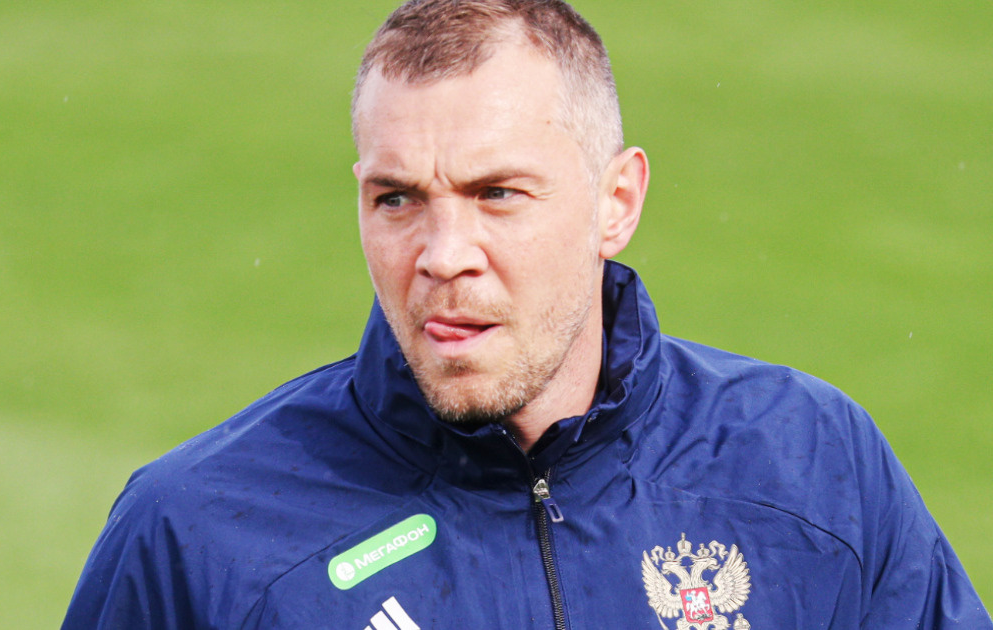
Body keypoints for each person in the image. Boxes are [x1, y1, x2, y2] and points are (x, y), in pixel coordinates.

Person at [62, 1, 991, 628]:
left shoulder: (811, 467)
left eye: (497, 193)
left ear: (615, 202)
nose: (442, 254)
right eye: (397, 198)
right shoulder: (199, 539)